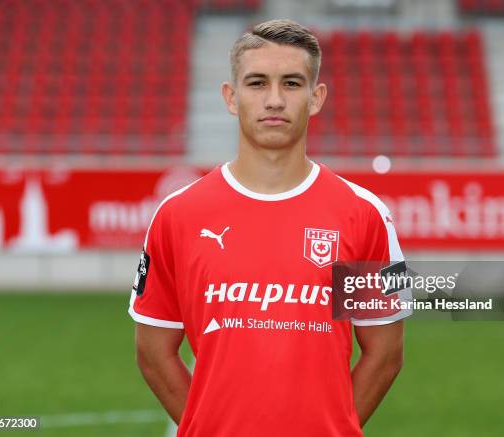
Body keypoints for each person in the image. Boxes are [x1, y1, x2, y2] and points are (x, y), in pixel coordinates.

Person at [129, 19, 411, 436]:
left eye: (292, 84)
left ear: (316, 98)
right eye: (257, 83)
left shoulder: (366, 214)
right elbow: (153, 352)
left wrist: (332, 428)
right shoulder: (177, 214)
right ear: (231, 96)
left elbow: (385, 354)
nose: (275, 100)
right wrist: (209, 427)